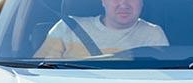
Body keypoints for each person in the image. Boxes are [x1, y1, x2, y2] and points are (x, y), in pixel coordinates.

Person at [36, 0, 168, 58]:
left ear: (141, 2)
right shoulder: (67, 28)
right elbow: (39, 71)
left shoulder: (153, 34)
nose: (123, 4)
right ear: (103, 1)